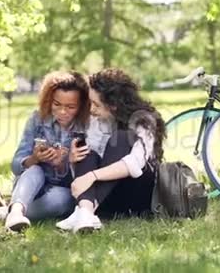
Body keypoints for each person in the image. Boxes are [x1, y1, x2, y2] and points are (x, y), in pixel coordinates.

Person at [0, 71, 91, 232]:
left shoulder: (86, 127)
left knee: (66, 199)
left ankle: (6, 213)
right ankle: (16, 211)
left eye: (70, 107)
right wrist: (34, 158)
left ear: (81, 106)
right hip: (30, 186)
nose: (62, 112)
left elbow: (83, 177)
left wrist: (64, 164)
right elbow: (16, 165)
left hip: (61, 190)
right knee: (35, 170)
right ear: (48, 100)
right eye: (57, 104)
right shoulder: (37, 119)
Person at [55, 69, 166, 232]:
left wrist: (92, 176)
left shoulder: (144, 120)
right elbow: (90, 160)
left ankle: (84, 212)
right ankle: (85, 212)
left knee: (121, 137)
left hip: (138, 194)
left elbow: (134, 164)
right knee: (86, 150)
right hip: (107, 198)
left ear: (113, 105)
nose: (91, 109)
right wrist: (73, 160)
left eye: (96, 104)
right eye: (90, 102)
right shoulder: (99, 119)